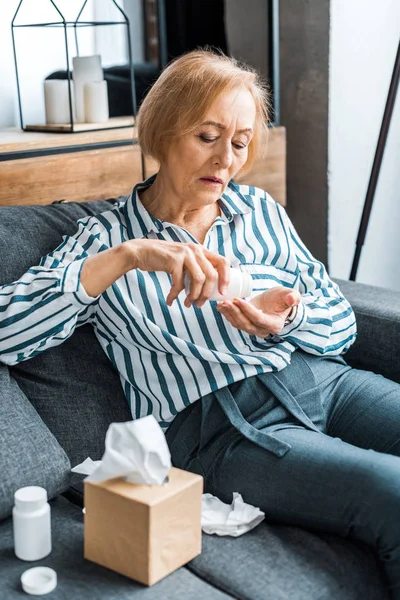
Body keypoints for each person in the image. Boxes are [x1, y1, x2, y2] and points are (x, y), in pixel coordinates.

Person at [1, 49, 400, 597]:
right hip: (219, 428)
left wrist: (288, 318)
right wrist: (128, 257)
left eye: (238, 143)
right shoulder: (106, 240)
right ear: (163, 131)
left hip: (323, 382)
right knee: (390, 491)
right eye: (206, 136)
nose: (226, 160)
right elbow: (7, 333)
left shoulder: (259, 211)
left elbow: (341, 327)